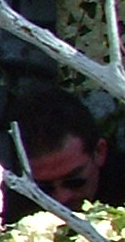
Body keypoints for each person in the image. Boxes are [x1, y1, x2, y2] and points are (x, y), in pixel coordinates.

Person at [7, 84, 125, 212]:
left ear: (99, 152)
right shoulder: (13, 200)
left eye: (74, 182)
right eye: (44, 189)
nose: (62, 198)